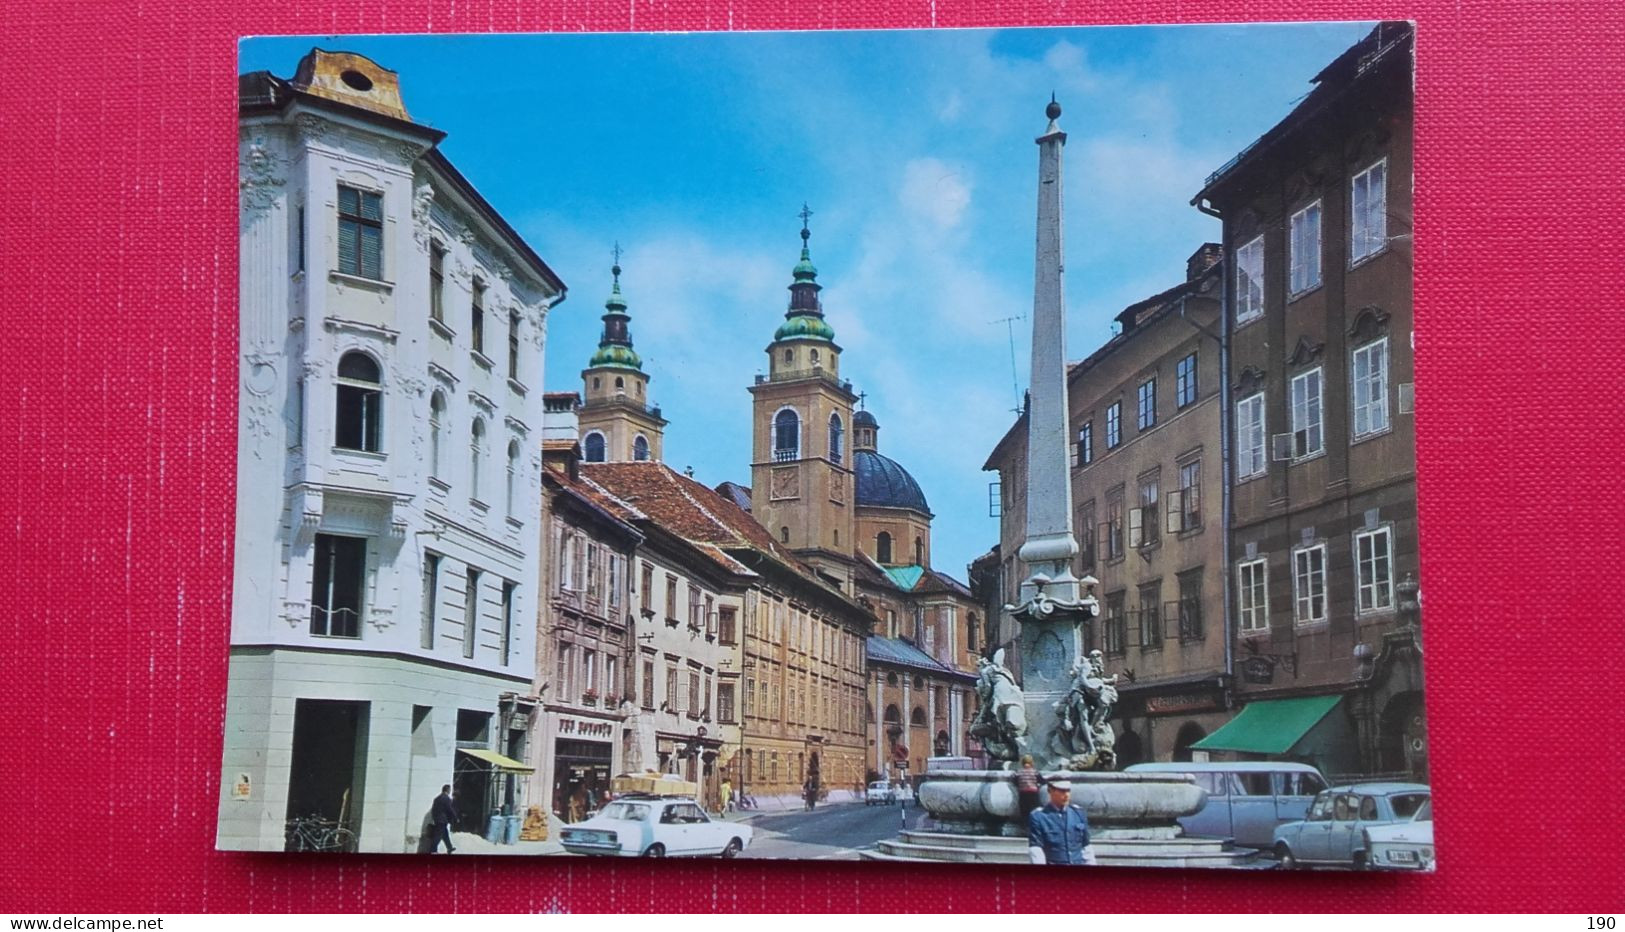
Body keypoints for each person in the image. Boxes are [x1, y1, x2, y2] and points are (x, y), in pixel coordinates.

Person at [1026, 780, 1096, 865]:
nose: (1066, 795)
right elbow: (1036, 848)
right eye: (1062, 791)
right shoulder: (1039, 816)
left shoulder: (1078, 813)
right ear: (1051, 791)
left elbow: (1086, 846)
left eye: (1068, 791)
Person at [430, 784, 459, 854]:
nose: (450, 791)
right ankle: (433, 850)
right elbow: (450, 809)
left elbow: (433, 810)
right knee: (438, 835)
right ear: (448, 790)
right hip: (443, 820)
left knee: (445, 834)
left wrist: (435, 818)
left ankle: (449, 847)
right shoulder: (446, 798)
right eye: (450, 790)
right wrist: (455, 818)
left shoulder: (436, 798)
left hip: (437, 819)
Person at [1014, 754, 1042, 822]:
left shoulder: (1018, 772)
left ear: (1022, 763)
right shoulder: (1035, 771)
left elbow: (1014, 780)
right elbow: (1041, 780)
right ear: (1032, 763)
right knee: (1035, 809)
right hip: (1033, 793)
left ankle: (1025, 824)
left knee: (1024, 811)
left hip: (1023, 793)